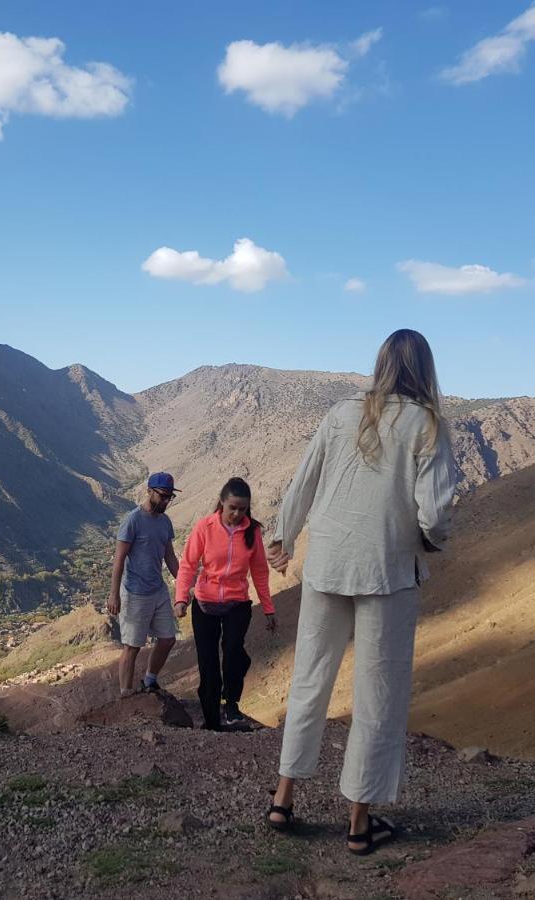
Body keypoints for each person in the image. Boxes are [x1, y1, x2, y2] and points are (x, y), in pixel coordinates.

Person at [263, 329, 457, 856]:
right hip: (388, 570)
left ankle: (284, 797)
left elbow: (304, 480)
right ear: (425, 368)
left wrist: (283, 534)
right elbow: (435, 513)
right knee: (378, 693)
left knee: (309, 679)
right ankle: (358, 822)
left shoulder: (341, 413)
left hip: (327, 561)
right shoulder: (429, 424)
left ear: (381, 363)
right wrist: (429, 542)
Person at [174, 477, 276, 730]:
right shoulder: (205, 527)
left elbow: (260, 572)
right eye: (233, 508)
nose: (238, 513)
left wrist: (268, 607)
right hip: (205, 603)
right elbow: (188, 565)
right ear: (222, 502)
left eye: (243, 509)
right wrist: (181, 598)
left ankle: (231, 704)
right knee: (208, 663)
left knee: (232, 652)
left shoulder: (252, 531)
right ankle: (212, 721)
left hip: (237, 603)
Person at [108, 472, 181, 697]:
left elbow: (169, 556)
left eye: (170, 497)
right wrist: (114, 595)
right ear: (149, 491)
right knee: (132, 646)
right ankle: (125, 694)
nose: (166, 501)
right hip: (134, 592)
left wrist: (184, 584)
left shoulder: (165, 522)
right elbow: (119, 559)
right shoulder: (132, 520)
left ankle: (149, 680)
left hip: (157, 589)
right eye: (163, 496)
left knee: (168, 638)